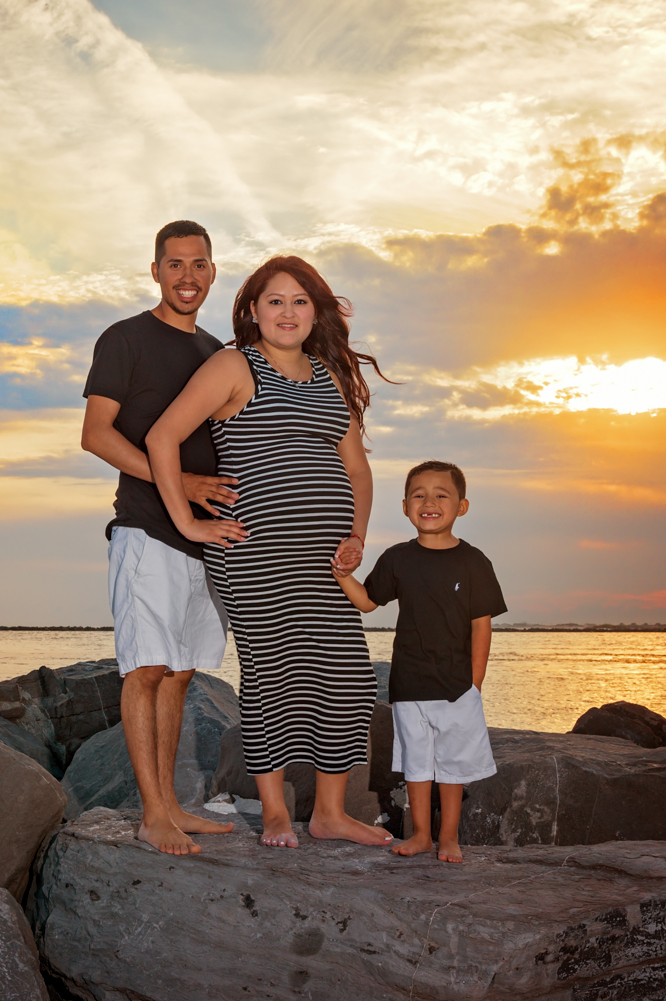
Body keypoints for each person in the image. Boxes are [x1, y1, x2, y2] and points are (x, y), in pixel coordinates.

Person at [146, 255, 393, 849]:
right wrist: (190, 521)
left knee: (347, 678)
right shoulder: (234, 366)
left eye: (300, 301)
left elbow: (357, 471)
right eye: (275, 300)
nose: (288, 311)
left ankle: (330, 813)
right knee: (273, 675)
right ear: (253, 310)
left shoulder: (330, 376)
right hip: (255, 557)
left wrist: (356, 535)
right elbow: (161, 437)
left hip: (323, 561)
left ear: (317, 312)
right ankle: (278, 812)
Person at [80, 220, 243, 856]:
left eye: (199, 265)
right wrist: (185, 481)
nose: (187, 277)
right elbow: (96, 434)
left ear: (212, 271)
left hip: (209, 540)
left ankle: (174, 805)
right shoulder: (125, 338)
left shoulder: (215, 352)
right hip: (147, 530)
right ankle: (152, 815)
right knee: (146, 669)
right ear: (156, 271)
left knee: (180, 674)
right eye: (175, 265)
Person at [333, 460, 506, 862]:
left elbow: (482, 627)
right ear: (406, 507)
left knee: (452, 767)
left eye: (441, 495)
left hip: (457, 687)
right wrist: (343, 575)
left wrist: (474, 683)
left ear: (461, 506)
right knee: (417, 764)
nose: (429, 502)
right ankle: (421, 835)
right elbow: (368, 603)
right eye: (418, 495)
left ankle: (449, 836)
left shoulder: (474, 562)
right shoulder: (397, 559)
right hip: (409, 684)